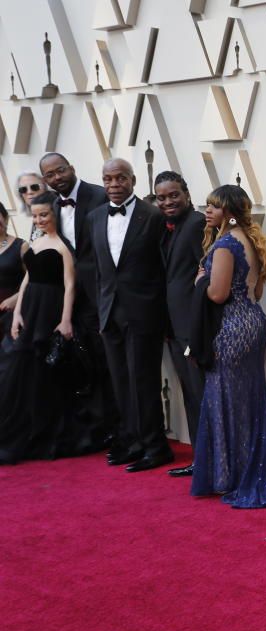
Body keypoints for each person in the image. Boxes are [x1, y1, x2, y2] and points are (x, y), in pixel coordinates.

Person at [191, 185, 266, 508]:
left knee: (224, 396)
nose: (207, 212)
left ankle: (233, 475)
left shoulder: (225, 244)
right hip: (253, 321)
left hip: (232, 327)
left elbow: (217, 294)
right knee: (248, 397)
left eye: (214, 207)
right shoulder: (251, 241)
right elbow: (259, 291)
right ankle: (243, 470)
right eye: (207, 206)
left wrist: (199, 280)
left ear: (230, 211)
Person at [88, 158, 173, 473]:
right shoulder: (95, 217)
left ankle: (156, 446)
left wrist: (163, 317)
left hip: (143, 312)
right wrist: (101, 310)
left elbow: (163, 268)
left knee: (144, 381)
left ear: (133, 180)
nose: (113, 185)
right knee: (121, 382)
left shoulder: (151, 216)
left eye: (120, 178)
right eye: (107, 179)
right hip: (110, 313)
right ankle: (134, 442)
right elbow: (98, 270)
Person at [0, 192, 86, 462]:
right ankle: (20, 436)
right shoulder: (34, 242)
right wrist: (17, 315)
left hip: (50, 309)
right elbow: (27, 280)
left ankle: (44, 437)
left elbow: (70, 286)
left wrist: (65, 319)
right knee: (17, 372)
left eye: (44, 215)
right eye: (35, 215)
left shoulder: (63, 246)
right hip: (29, 310)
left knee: (42, 375)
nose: (38, 220)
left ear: (55, 215)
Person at [40, 152, 115, 448]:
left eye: (60, 171)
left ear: (71, 168)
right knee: (89, 364)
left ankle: (120, 429)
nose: (57, 177)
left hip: (102, 294)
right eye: (50, 175)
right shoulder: (52, 206)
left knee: (110, 364)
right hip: (73, 299)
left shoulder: (98, 195)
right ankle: (99, 428)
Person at [153, 171, 206, 478]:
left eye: (174, 195)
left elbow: (206, 277)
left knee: (200, 395)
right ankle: (202, 461)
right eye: (161, 197)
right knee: (190, 394)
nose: (168, 201)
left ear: (186, 193)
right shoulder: (167, 227)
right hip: (174, 328)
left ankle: (209, 463)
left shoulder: (197, 223)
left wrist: (199, 327)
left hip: (192, 328)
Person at [0, 203, 29, 340]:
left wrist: (16, 298)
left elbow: (35, 279)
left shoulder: (21, 246)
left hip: (12, 312)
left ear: (5, 218)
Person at [14, 172, 48, 240]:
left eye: (35, 187)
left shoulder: (57, 211)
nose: (29, 192)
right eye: (23, 189)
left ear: (44, 188)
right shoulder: (34, 214)